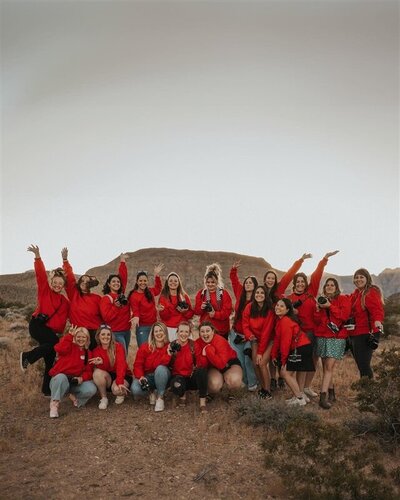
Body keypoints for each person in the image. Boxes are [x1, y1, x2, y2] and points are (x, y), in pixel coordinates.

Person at [286, 251, 339, 399]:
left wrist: (324, 259)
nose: (301, 284)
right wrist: (293, 312)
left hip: (313, 332)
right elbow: (284, 315)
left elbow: (317, 275)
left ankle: (307, 387)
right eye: (298, 282)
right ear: (294, 284)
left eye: (303, 281)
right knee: (301, 364)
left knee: (313, 361)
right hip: (299, 334)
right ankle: (300, 391)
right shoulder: (289, 298)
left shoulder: (310, 292)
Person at [20, 245, 70, 396]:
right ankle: (27, 356)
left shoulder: (65, 302)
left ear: (63, 285)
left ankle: (46, 389)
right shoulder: (44, 291)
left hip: (50, 331)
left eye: (60, 283)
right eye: (55, 282)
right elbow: (40, 274)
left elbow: (72, 316)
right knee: (54, 343)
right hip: (37, 325)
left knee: (50, 359)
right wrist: (37, 256)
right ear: (51, 282)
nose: (57, 285)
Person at [263, 253, 312, 390]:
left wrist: (300, 260)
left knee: (280, 351)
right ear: (264, 279)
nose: (270, 280)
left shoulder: (279, 290)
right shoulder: (260, 291)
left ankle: (280, 378)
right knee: (272, 353)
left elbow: (290, 275)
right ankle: (272, 379)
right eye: (268, 278)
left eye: (273, 278)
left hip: (280, 326)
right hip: (266, 328)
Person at [314, 278, 351, 408]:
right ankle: (331, 393)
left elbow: (344, 316)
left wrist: (330, 306)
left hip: (337, 337)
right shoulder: (321, 300)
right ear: (324, 288)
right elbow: (317, 321)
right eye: (327, 285)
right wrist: (318, 310)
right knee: (325, 367)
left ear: (336, 287)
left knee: (329, 367)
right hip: (322, 337)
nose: (330, 287)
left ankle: (322, 398)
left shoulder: (343, 299)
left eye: (332, 285)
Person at [271, 298, 314, 407]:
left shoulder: (285, 321)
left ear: (287, 310)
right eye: (277, 305)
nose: (278, 307)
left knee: (285, 373)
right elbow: (277, 339)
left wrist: (284, 361)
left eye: (282, 306)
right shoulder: (280, 321)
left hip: (300, 347)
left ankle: (299, 398)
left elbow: (285, 342)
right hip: (302, 346)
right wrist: (273, 354)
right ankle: (299, 396)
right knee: (288, 373)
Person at [48, 326, 97, 418]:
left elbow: (89, 372)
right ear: (75, 337)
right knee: (61, 377)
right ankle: (54, 405)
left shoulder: (88, 353)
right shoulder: (68, 346)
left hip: (74, 382)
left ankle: (76, 399)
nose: (81, 339)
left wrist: (82, 378)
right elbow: (59, 349)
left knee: (91, 389)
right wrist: (69, 336)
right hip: (59, 380)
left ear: (87, 339)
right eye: (78, 336)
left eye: (84, 337)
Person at [61, 247, 102, 350]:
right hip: (79, 332)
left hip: (95, 332)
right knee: (79, 357)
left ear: (90, 284)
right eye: (82, 280)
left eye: (87, 281)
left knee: (93, 357)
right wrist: (65, 261)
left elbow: (105, 314)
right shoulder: (74, 294)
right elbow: (70, 277)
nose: (84, 283)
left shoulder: (97, 298)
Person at [348, 268, 384, 379]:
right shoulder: (356, 293)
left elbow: (377, 309)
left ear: (367, 278)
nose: (359, 279)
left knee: (363, 365)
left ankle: (368, 393)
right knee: (361, 365)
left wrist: (378, 320)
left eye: (361, 277)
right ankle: (367, 391)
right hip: (355, 333)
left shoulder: (371, 291)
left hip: (367, 333)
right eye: (357, 277)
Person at [228, 261, 258, 392]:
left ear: (255, 286)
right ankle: (244, 381)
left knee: (248, 359)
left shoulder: (258, 299)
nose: (248, 284)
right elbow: (234, 281)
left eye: (251, 282)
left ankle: (253, 383)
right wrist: (233, 270)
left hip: (249, 336)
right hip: (236, 334)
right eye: (246, 282)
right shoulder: (240, 294)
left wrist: (248, 337)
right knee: (239, 360)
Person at [242, 286, 275, 399]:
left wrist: (261, 352)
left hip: (269, 340)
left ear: (265, 295)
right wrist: (250, 336)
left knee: (261, 363)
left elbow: (266, 333)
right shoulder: (249, 307)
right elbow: (245, 325)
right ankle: (262, 387)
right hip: (254, 339)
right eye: (257, 292)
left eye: (262, 293)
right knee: (255, 364)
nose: (259, 294)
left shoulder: (269, 310)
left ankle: (268, 391)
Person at [130, 321, 171, 412]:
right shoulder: (145, 347)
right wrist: (140, 376)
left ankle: (160, 397)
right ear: (152, 334)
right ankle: (151, 391)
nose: (159, 333)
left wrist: (168, 354)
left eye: (161, 331)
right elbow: (138, 364)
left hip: (163, 376)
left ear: (165, 332)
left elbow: (164, 364)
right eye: (156, 331)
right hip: (148, 376)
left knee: (160, 369)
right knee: (135, 389)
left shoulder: (169, 346)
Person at [89, 324, 132, 409]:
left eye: (108, 334)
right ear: (98, 336)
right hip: (109, 376)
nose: (106, 337)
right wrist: (101, 363)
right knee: (97, 373)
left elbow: (121, 365)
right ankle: (104, 398)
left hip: (122, 375)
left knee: (116, 390)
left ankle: (120, 392)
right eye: (103, 334)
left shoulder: (118, 347)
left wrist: (119, 382)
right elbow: (103, 371)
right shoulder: (96, 351)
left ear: (111, 336)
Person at [169, 321, 208, 412]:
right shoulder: (172, 345)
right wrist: (169, 354)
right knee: (176, 386)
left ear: (190, 333)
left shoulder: (193, 345)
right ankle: (182, 394)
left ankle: (202, 402)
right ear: (177, 332)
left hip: (191, 377)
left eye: (186, 332)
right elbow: (165, 364)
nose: (184, 334)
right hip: (178, 377)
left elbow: (201, 364)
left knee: (202, 371)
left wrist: (203, 355)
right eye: (181, 331)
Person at [195, 321, 243, 395]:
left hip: (229, 364)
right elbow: (201, 365)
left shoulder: (220, 340)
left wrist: (208, 350)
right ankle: (212, 392)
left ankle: (232, 393)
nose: (205, 334)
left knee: (234, 381)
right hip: (212, 367)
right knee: (214, 385)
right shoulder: (197, 343)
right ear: (199, 333)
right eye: (202, 331)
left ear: (213, 331)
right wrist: (204, 355)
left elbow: (221, 365)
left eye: (208, 331)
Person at [99, 253, 131, 354]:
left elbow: (124, 278)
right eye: (113, 282)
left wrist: (122, 262)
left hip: (127, 331)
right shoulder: (106, 298)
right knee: (121, 355)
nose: (116, 283)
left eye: (118, 282)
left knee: (123, 357)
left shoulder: (121, 296)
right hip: (115, 333)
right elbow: (106, 318)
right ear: (109, 284)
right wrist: (115, 306)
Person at [128, 265, 164, 347]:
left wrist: (156, 275)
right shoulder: (134, 295)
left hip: (154, 326)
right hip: (142, 327)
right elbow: (135, 310)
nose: (143, 283)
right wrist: (136, 317)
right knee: (144, 349)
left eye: (145, 281)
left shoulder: (150, 291)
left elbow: (158, 289)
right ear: (137, 282)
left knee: (154, 349)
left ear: (147, 281)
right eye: (140, 281)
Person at [194, 263, 233, 338]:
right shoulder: (202, 293)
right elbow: (196, 311)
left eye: (213, 282)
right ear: (205, 282)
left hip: (221, 330)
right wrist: (201, 308)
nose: (210, 284)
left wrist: (215, 314)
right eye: (208, 282)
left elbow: (227, 312)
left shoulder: (223, 293)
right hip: (206, 331)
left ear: (217, 282)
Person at [158, 272, 194, 341]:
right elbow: (164, 317)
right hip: (169, 329)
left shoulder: (184, 296)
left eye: (175, 281)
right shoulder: (163, 297)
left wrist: (184, 312)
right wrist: (162, 311)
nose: (173, 283)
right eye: (171, 281)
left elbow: (191, 315)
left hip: (183, 328)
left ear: (178, 282)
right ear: (167, 283)